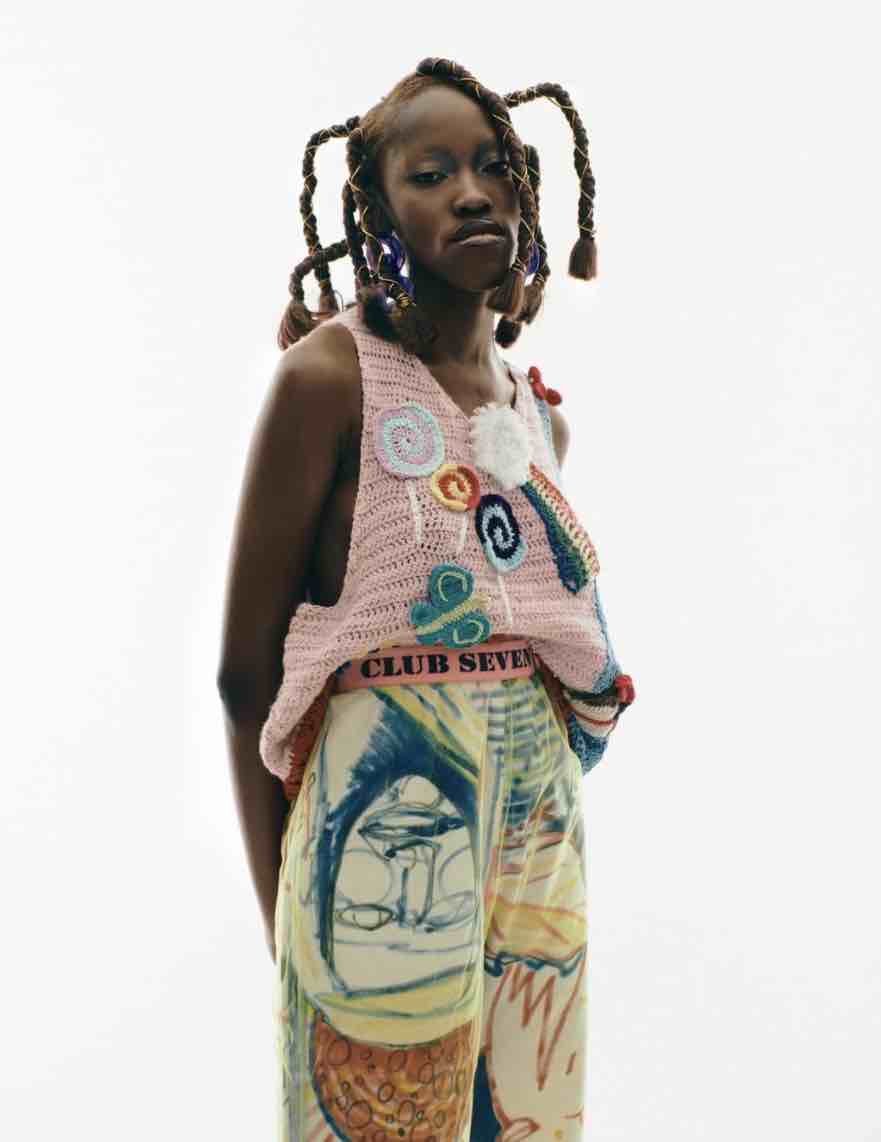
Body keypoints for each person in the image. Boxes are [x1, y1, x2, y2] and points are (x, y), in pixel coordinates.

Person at [217, 56, 636, 1142]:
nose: (472, 192)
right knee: (376, 1105)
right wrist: (284, 908)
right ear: (376, 210)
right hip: (387, 818)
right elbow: (243, 674)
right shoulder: (329, 379)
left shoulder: (536, 418)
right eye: (431, 173)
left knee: (532, 1112)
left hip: (538, 816)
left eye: (493, 167)